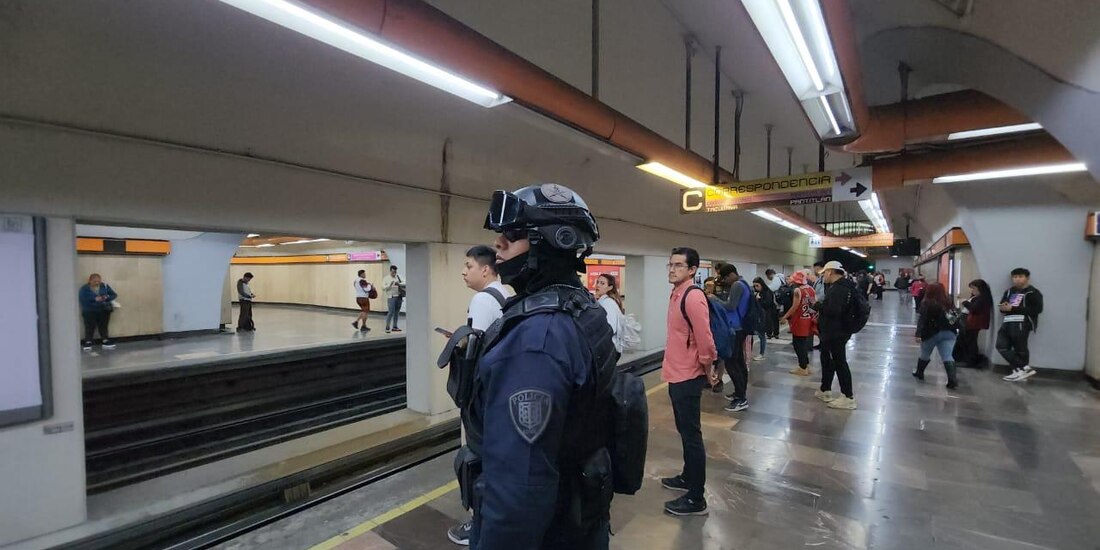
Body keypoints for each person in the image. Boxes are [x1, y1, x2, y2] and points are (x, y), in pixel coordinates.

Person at [459, 183, 622, 548]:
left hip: (546, 532)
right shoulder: (583, 309)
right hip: (580, 518)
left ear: (555, 241)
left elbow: (521, 483)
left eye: (514, 235)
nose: (498, 244)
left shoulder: (536, 341)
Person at [447, 245, 510, 546]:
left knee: (474, 458)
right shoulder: (506, 294)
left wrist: (459, 345)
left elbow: (479, 354)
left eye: (468, 265)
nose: (464, 271)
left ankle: (479, 522)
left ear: (485, 270)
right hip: (501, 395)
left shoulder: (482, 299)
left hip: (481, 399)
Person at [662, 246, 716, 516]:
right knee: (685, 431)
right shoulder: (677, 293)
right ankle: (687, 476)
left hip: (688, 375)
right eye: (670, 264)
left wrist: (709, 368)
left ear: (692, 269)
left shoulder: (693, 297)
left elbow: (705, 338)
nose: (672, 269)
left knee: (692, 435)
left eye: (679, 265)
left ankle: (696, 498)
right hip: (676, 372)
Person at [812, 261, 857, 410]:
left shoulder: (839, 288)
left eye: (824, 273)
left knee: (839, 362)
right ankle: (825, 389)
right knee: (827, 359)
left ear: (830, 272)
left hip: (836, 332)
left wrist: (818, 305)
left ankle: (847, 396)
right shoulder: (843, 286)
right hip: (834, 331)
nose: (823, 276)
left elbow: (833, 311)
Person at [715, 264, 752, 412]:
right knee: (739, 362)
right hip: (741, 326)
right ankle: (739, 392)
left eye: (725, 278)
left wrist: (714, 299)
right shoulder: (744, 283)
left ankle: (741, 399)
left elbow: (730, 306)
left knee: (731, 362)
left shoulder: (737, 285)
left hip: (735, 327)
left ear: (731, 274)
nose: (725, 281)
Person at [998, 268, 1044, 382]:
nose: (1017, 279)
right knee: (1001, 346)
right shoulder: (1009, 291)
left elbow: (1037, 309)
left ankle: (1019, 371)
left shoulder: (1033, 292)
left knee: (1020, 349)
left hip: (1022, 322)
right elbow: (1003, 306)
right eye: (1014, 277)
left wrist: (1013, 308)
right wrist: (1003, 307)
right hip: (1007, 321)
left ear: (1027, 278)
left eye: (1020, 276)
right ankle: (1023, 369)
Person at [912, 282, 959, 389]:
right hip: (949, 332)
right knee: (947, 356)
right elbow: (953, 317)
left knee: (925, 354)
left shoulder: (927, 302)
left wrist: (918, 333)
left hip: (931, 333)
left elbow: (922, 320)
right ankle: (952, 380)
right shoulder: (948, 301)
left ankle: (919, 373)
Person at [779, 271, 816, 377]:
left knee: (798, 344)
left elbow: (794, 307)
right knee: (803, 343)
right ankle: (806, 365)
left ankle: (802, 367)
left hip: (799, 320)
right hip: (808, 319)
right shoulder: (811, 289)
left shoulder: (797, 290)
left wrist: (784, 317)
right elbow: (814, 304)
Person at [955, 279, 993, 368]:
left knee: (970, 342)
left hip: (973, 322)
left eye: (974, 288)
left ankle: (970, 361)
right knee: (963, 340)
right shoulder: (976, 297)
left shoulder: (983, 299)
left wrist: (964, 302)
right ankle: (961, 358)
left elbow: (974, 309)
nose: (973, 291)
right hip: (967, 321)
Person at [79, 273, 118, 351]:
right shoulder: (84, 288)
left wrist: (106, 297)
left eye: (98, 281)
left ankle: (105, 340)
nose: (97, 283)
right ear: (90, 281)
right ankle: (88, 342)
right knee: (89, 326)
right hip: (89, 311)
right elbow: (83, 299)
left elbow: (114, 295)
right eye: (95, 281)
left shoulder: (105, 286)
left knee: (103, 326)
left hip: (103, 310)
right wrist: (95, 299)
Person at [594, 273, 626, 354]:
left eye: (602, 283)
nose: (598, 285)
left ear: (610, 287)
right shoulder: (603, 301)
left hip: (608, 348)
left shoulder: (608, 303)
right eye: (597, 282)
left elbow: (611, 327)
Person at [751, 277, 774, 361]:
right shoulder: (757, 293)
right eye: (754, 286)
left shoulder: (767, 293)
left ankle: (761, 353)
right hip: (758, 316)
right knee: (758, 335)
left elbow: (768, 304)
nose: (756, 288)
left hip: (764, 317)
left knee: (761, 335)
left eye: (757, 285)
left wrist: (759, 300)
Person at [382, 265, 405, 333]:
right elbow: (383, 287)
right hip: (391, 297)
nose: (394, 273)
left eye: (395, 271)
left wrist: (399, 284)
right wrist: (390, 284)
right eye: (392, 272)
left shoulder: (398, 276)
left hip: (399, 296)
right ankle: (387, 327)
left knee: (397, 313)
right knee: (391, 312)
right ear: (390, 271)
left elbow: (405, 282)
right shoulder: (386, 278)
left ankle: (395, 326)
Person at [763, 269, 784, 338]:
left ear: (769, 274)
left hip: (775, 303)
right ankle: (775, 333)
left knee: (771, 318)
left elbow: (771, 288)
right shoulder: (781, 278)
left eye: (767, 276)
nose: (767, 278)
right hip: (779, 303)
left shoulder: (776, 279)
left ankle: (771, 333)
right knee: (775, 319)